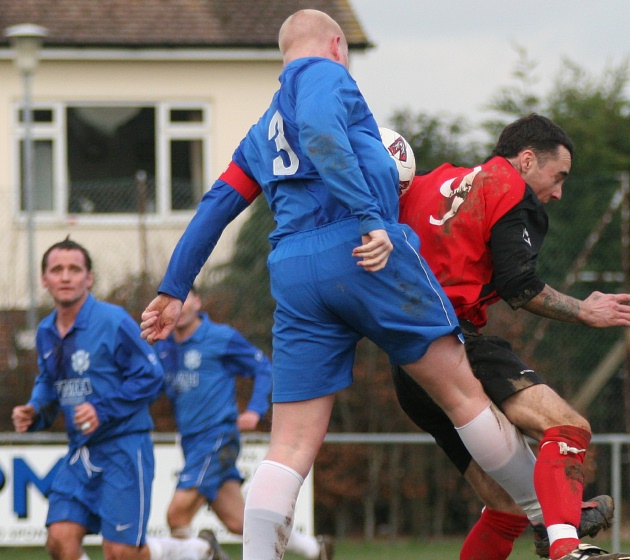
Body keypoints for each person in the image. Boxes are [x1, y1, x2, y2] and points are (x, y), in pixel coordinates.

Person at [140, 10, 576, 560]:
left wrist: (173, 286)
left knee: (291, 444)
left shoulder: (263, 130)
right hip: (363, 250)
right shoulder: (324, 73)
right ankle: (547, 517)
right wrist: (371, 216)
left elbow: (217, 205)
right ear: (337, 45)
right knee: (460, 391)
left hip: (294, 270)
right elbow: (324, 136)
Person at [393, 114, 630, 560]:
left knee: (506, 507)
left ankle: (555, 522)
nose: (559, 191)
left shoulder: (435, 179)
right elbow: (519, 285)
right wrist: (584, 310)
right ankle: (566, 545)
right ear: (527, 160)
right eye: (559, 176)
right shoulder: (508, 187)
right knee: (568, 427)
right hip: (453, 341)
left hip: (406, 363)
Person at [12, 237, 223, 560]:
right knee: (59, 541)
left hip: (124, 448)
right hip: (81, 450)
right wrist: (35, 410)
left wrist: (102, 409)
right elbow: (49, 382)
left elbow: (150, 376)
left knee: (122, 552)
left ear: (89, 278)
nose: (65, 276)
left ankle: (198, 551)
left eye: (74, 269)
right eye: (57, 269)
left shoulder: (113, 321)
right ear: (44, 279)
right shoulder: (45, 332)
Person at [154, 287, 334, 560]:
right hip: (191, 441)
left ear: (198, 302)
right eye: (173, 302)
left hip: (217, 435)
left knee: (177, 513)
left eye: (185, 298)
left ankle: (205, 552)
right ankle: (314, 549)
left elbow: (262, 367)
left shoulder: (220, 337)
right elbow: (150, 385)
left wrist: (255, 409)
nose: (178, 307)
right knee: (239, 522)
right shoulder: (165, 347)